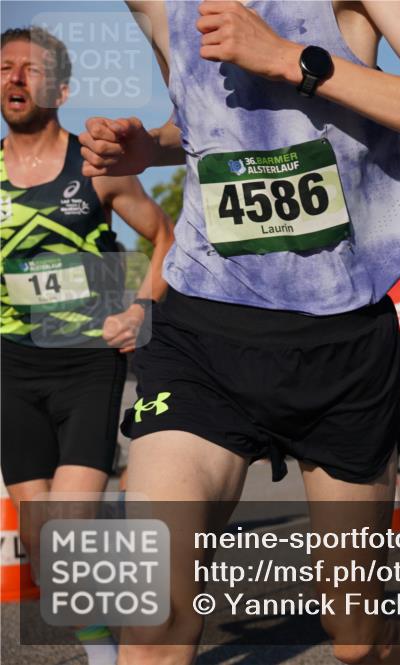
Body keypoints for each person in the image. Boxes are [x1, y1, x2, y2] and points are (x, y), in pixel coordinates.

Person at [80, 1, 400, 663]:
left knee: (357, 638)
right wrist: (145, 149)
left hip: (341, 346)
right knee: (153, 613)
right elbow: (198, 119)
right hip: (201, 332)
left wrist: (287, 58)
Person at [1, 25, 173, 665]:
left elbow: (167, 238)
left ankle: (115, 655)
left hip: (85, 364)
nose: (15, 78)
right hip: (12, 368)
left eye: (30, 69)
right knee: (45, 546)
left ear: (61, 86)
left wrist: (140, 309)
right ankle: (107, 623)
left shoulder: (94, 167)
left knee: (71, 526)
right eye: (5, 68)